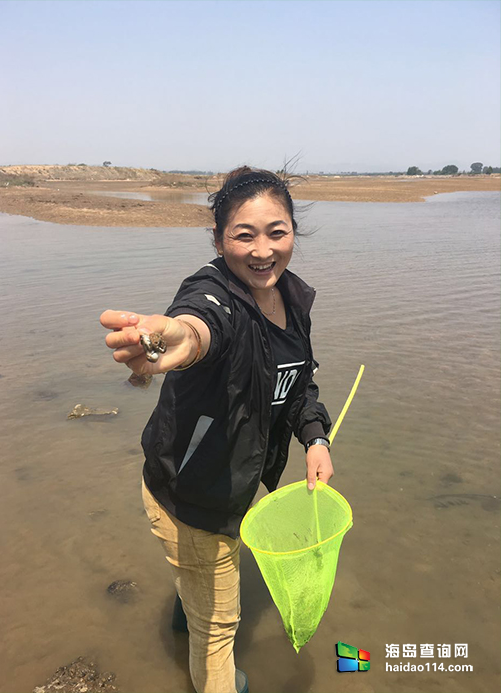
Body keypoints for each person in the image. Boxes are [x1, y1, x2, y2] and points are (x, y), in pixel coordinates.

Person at [100, 166, 333, 693]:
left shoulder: (292, 300)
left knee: (203, 597)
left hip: (231, 484)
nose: (262, 250)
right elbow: (199, 325)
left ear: (294, 231)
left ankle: (188, 609)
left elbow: (299, 387)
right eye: (243, 235)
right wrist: (175, 337)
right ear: (218, 239)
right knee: (219, 630)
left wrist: (315, 437)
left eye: (277, 232)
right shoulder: (214, 294)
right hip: (192, 497)